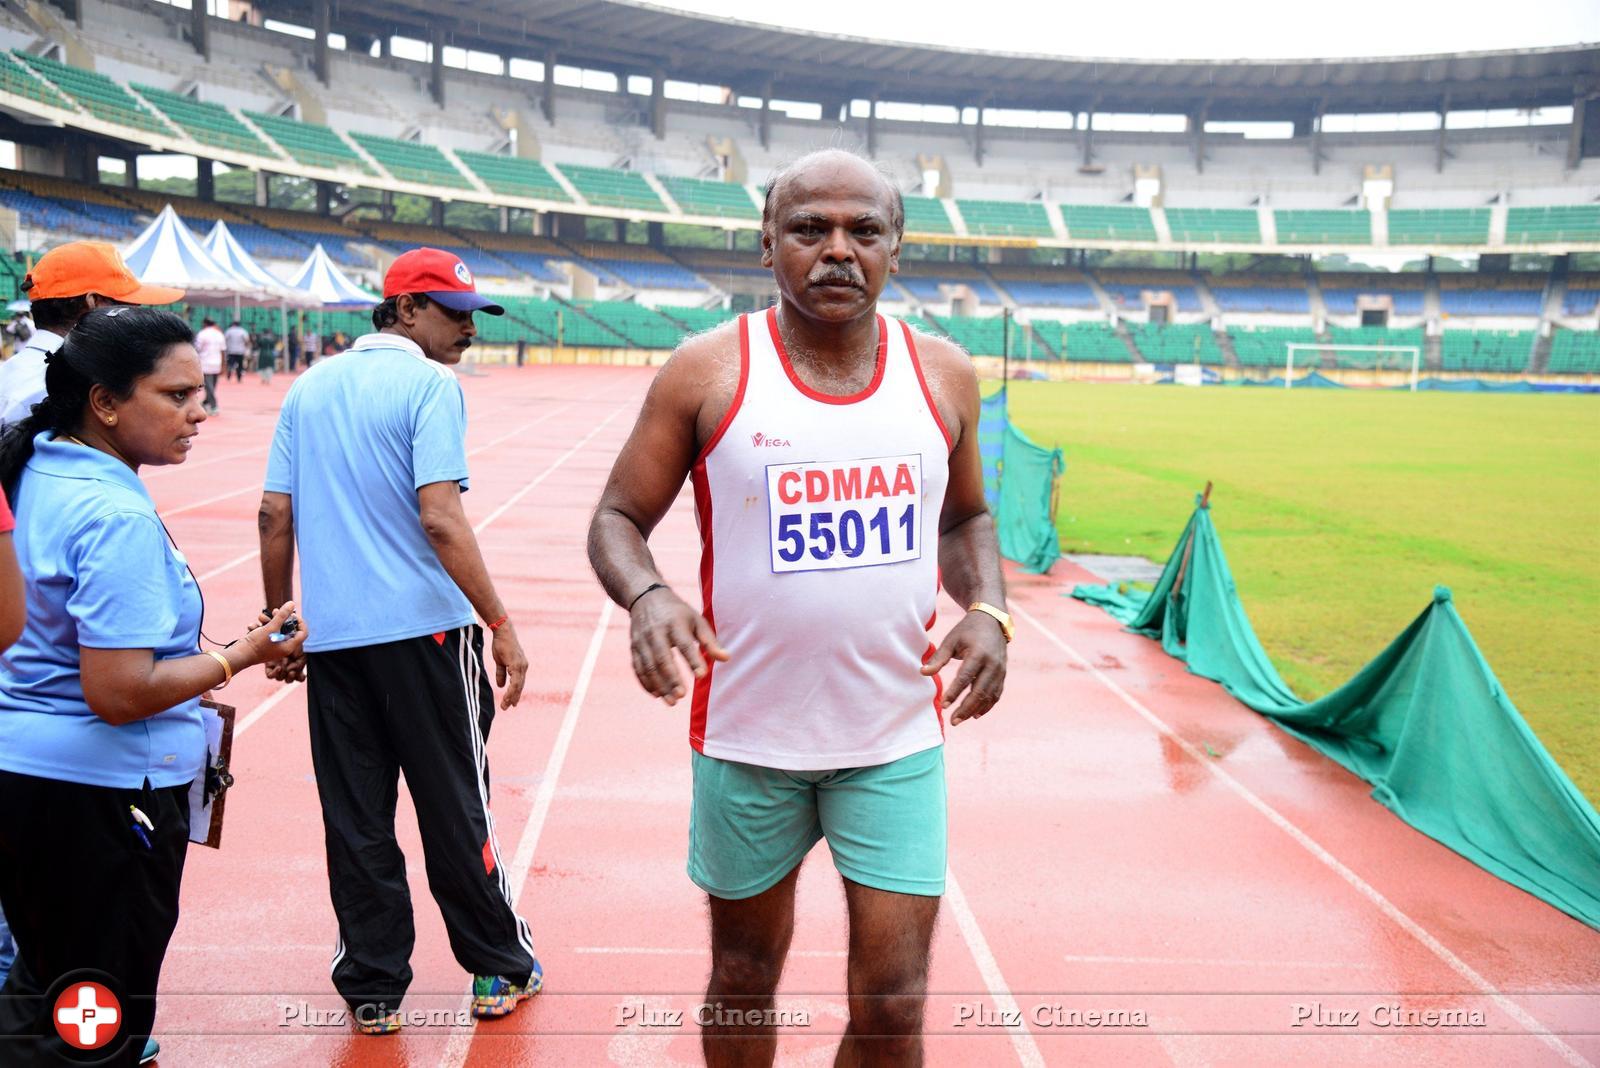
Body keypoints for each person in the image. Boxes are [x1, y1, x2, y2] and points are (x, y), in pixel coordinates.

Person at [587, 149, 1010, 1067]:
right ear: (767, 242)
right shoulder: (707, 373)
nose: (837, 251)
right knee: (743, 981)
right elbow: (618, 517)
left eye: (864, 230)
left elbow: (967, 517)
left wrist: (990, 609)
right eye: (809, 228)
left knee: (894, 1006)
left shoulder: (942, 375)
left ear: (897, 247)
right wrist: (649, 594)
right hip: (749, 736)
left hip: (894, 736)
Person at [0, 306, 306, 1066]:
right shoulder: (111, 514)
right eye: (176, 396)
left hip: (31, 777)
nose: (199, 412)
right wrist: (240, 655)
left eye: (199, 393)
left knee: (42, 995)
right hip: (101, 797)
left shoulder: (35, 466)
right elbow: (119, 690)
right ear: (105, 402)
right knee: (92, 1024)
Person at [257, 248, 538, 1035]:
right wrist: (503, 625)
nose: (469, 330)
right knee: (456, 807)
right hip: (425, 636)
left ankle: (373, 987)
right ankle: (495, 968)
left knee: (357, 817)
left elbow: (274, 515)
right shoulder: (429, 385)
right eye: (455, 313)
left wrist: (283, 623)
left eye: (474, 315)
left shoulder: (307, 390)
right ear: (406, 311)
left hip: (339, 643)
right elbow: (441, 517)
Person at [0, 242, 182, 430]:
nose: (135, 316)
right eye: (128, 306)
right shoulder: (49, 388)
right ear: (93, 303)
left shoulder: (19, 372)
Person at [194, 318, 224, 414]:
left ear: (204, 323)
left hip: (205, 363)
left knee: (210, 387)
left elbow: (196, 349)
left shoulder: (202, 334)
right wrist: (224, 365)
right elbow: (223, 351)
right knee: (212, 387)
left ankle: (211, 405)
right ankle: (209, 404)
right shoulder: (219, 334)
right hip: (217, 363)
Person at [224, 319, 249, 383]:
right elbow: (246, 341)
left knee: (230, 364)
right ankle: (239, 378)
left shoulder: (229, 330)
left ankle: (229, 373)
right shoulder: (243, 331)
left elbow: (225, 339)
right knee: (240, 365)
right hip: (240, 351)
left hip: (231, 350)